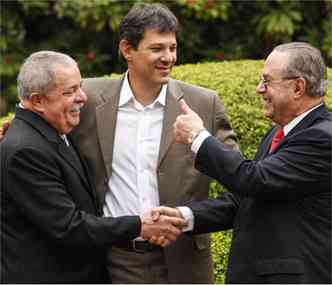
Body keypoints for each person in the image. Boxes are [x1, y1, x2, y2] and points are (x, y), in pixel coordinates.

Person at [70, 3, 238, 284]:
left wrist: (187, 217)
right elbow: (45, 119)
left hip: (185, 265)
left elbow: (239, 178)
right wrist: (16, 129)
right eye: (157, 48)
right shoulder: (88, 97)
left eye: (172, 48)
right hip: (112, 262)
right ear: (127, 50)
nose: (168, 57)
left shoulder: (202, 103)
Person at [0, 51, 186, 284]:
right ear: (37, 101)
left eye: (80, 86)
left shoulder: (51, 130)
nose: (83, 97)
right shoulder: (25, 150)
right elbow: (69, 226)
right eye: (69, 92)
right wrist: (140, 225)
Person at [153, 42, 332, 283]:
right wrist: (184, 216)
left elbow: (254, 179)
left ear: (298, 87)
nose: (259, 89)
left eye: (267, 81)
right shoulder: (280, 133)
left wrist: (197, 137)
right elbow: (248, 199)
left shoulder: (322, 138)